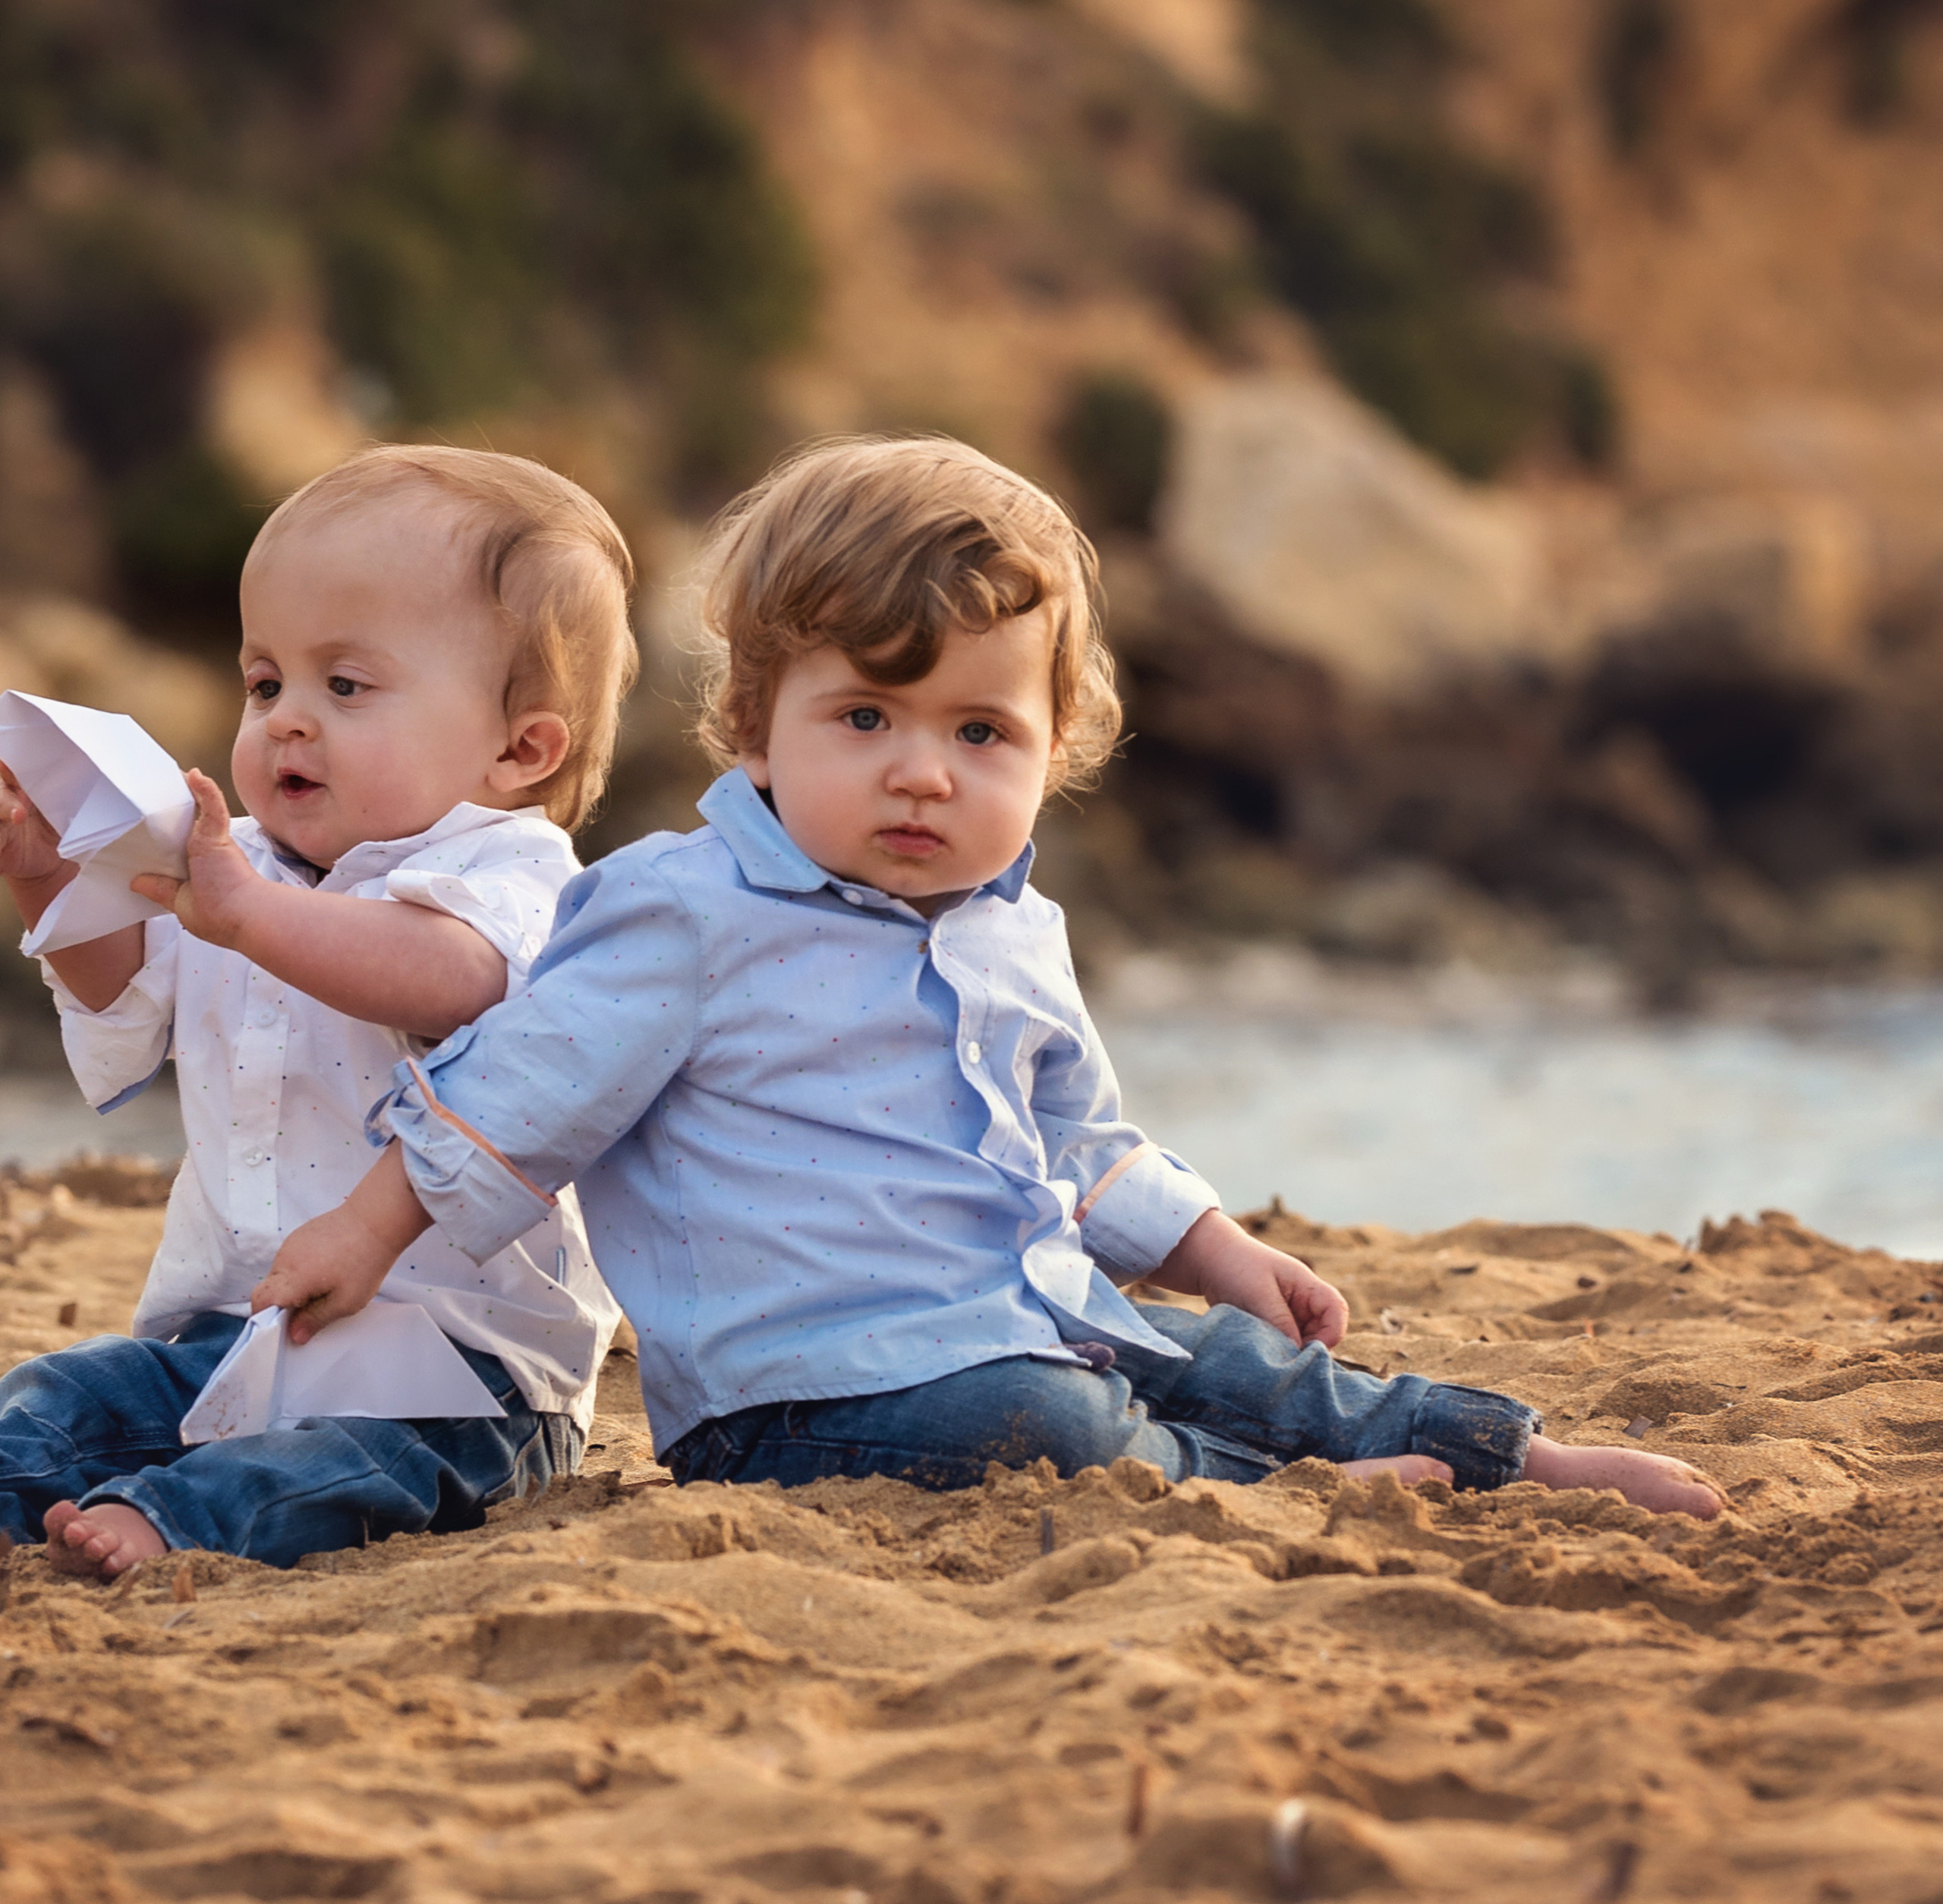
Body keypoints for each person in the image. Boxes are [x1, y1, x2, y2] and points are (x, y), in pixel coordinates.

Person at [264, 437, 1722, 1520]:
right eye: (865, 717)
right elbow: (520, 1093)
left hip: (1030, 1317)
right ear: (756, 726)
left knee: (1227, 1361)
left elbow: (1082, 1144)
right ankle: (1266, 1500)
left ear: (1052, 746)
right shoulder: (682, 911)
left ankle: (1511, 1456)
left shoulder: (1014, 931)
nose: (923, 771)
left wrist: (1220, 1249)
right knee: (1052, 1424)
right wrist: (367, 1228)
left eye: (980, 732)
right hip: (802, 1401)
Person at [0, 443, 638, 1576]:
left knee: (341, 1466)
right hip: (234, 1338)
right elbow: (124, 999)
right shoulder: (234, 865)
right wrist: (50, 877)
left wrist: (248, 918)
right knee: (58, 1398)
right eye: (265, 684)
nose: (288, 721)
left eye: (345, 686)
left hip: (459, 1374)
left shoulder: (519, 879)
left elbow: (455, 978)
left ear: (518, 748)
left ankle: (177, 1523)